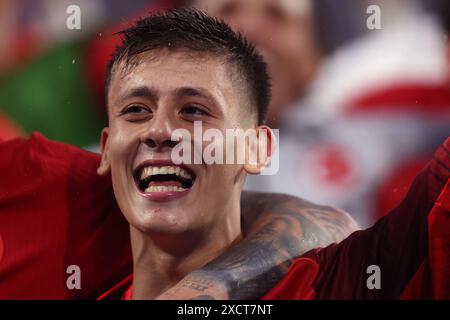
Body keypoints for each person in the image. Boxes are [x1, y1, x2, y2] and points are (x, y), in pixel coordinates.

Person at [96, 8, 450, 300]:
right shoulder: (67, 204)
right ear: (106, 147)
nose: (160, 131)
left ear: (260, 147)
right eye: (136, 111)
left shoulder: (343, 277)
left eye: (194, 111)